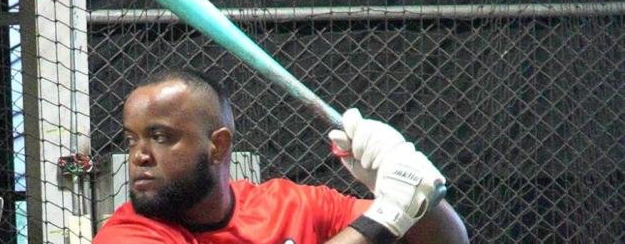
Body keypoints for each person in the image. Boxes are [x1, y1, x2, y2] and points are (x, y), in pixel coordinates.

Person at [93, 69, 469, 244]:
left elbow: (448, 241)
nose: (139, 156)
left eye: (159, 136)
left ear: (218, 146)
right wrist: (384, 217)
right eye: (131, 139)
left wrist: (402, 175)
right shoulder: (126, 235)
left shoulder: (293, 205)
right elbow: (384, 224)